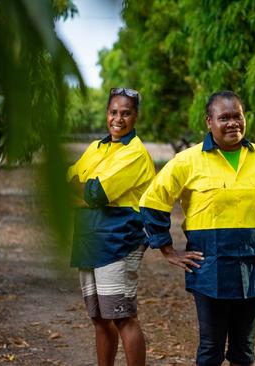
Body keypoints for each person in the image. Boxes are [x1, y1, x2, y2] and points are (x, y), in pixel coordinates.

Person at [139, 90, 255, 366]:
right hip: (209, 266)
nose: (233, 123)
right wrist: (167, 250)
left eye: (237, 116)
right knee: (210, 349)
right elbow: (153, 201)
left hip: (254, 264)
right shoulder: (187, 161)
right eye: (224, 117)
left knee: (244, 349)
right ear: (209, 122)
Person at [66, 87, 154, 366]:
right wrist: (85, 190)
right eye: (114, 112)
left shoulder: (135, 153)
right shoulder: (96, 147)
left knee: (122, 316)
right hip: (89, 238)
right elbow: (67, 180)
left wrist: (86, 190)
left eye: (126, 113)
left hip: (118, 241)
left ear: (136, 116)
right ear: (106, 114)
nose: (118, 118)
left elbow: (95, 193)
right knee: (99, 318)